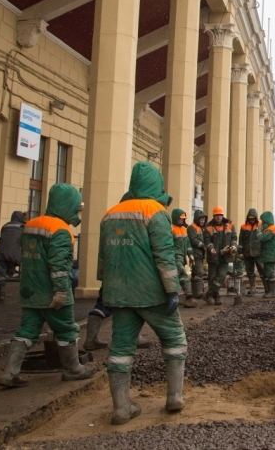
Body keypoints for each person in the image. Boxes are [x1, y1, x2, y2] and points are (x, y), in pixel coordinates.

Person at [98, 162, 187, 424]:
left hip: (119, 294)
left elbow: (103, 258)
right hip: (152, 294)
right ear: (156, 185)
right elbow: (164, 256)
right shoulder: (156, 212)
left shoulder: (110, 213)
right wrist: (173, 290)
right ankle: (174, 397)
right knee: (174, 340)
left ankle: (121, 408)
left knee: (121, 349)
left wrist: (106, 286)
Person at [0, 184, 96, 388]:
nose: (78, 212)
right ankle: (73, 369)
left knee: (26, 331)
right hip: (52, 292)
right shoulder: (61, 230)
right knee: (67, 330)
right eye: (77, 207)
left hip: (30, 291)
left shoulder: (31, 224)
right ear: (67, 205)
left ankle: (10, 373)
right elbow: (58, 265)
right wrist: (61, 290)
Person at [0, 211, 25, 301]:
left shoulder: (5, 226)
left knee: (0, 274)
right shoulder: (22, 227)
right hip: (14, 254)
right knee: (10, 273)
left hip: (1, 252)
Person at [203, 207, 235, 305]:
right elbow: (207, 241)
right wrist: (211, 248)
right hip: (214, 256)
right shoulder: (208, 227)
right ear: (214, 216)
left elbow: (234, 237)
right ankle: (216, 296)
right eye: (217, 215)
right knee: (212, 277)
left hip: (225, 257)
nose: (218, 217)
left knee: (221, 276)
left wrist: (234, 245)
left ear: (222, 215)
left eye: (220, 215)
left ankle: (208, 294)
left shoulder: (229, 225)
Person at [171, 209, 196, 308]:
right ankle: (187, 292)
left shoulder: (184, 230)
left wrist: (190, 254)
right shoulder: (171, 229)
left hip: (182, 257)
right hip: (175, 257)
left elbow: (188, 243)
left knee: (179, 276)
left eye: (183, 219)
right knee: (181, 273)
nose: (182, 221)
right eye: (181, 219)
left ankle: (184, 295)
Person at [237, 208, 262, 296]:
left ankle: (267, 289)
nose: (252, 220)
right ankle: (253, 288)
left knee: (262, 270)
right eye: (250, 218)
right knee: (250, 271)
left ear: (256, 218)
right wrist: (240, 251)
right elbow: (241, 239)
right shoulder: (243, 227)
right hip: (247, 253)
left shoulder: (260, 226)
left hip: (258, 252)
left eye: (253, 218)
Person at [257, 211, 275, 298]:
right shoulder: (270, 228)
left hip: (270, 255)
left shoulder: (271, 229)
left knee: (270, 273)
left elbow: (261, 238)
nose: (261, 223)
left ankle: (272, 292)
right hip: (269, 254)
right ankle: (269, 291)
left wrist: (258, 230)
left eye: (262, 221)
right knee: (267, 272)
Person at [187, 210, 207, 304]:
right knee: (198, 272)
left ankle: (196, 292)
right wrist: (203, 245)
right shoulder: (192, 228)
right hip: (195, 254)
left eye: (203, 219)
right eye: (201, 219)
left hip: (200, 254)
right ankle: (198, 292)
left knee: (196, 273)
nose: (202, 221)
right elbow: (193, 240)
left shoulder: (201, 228)